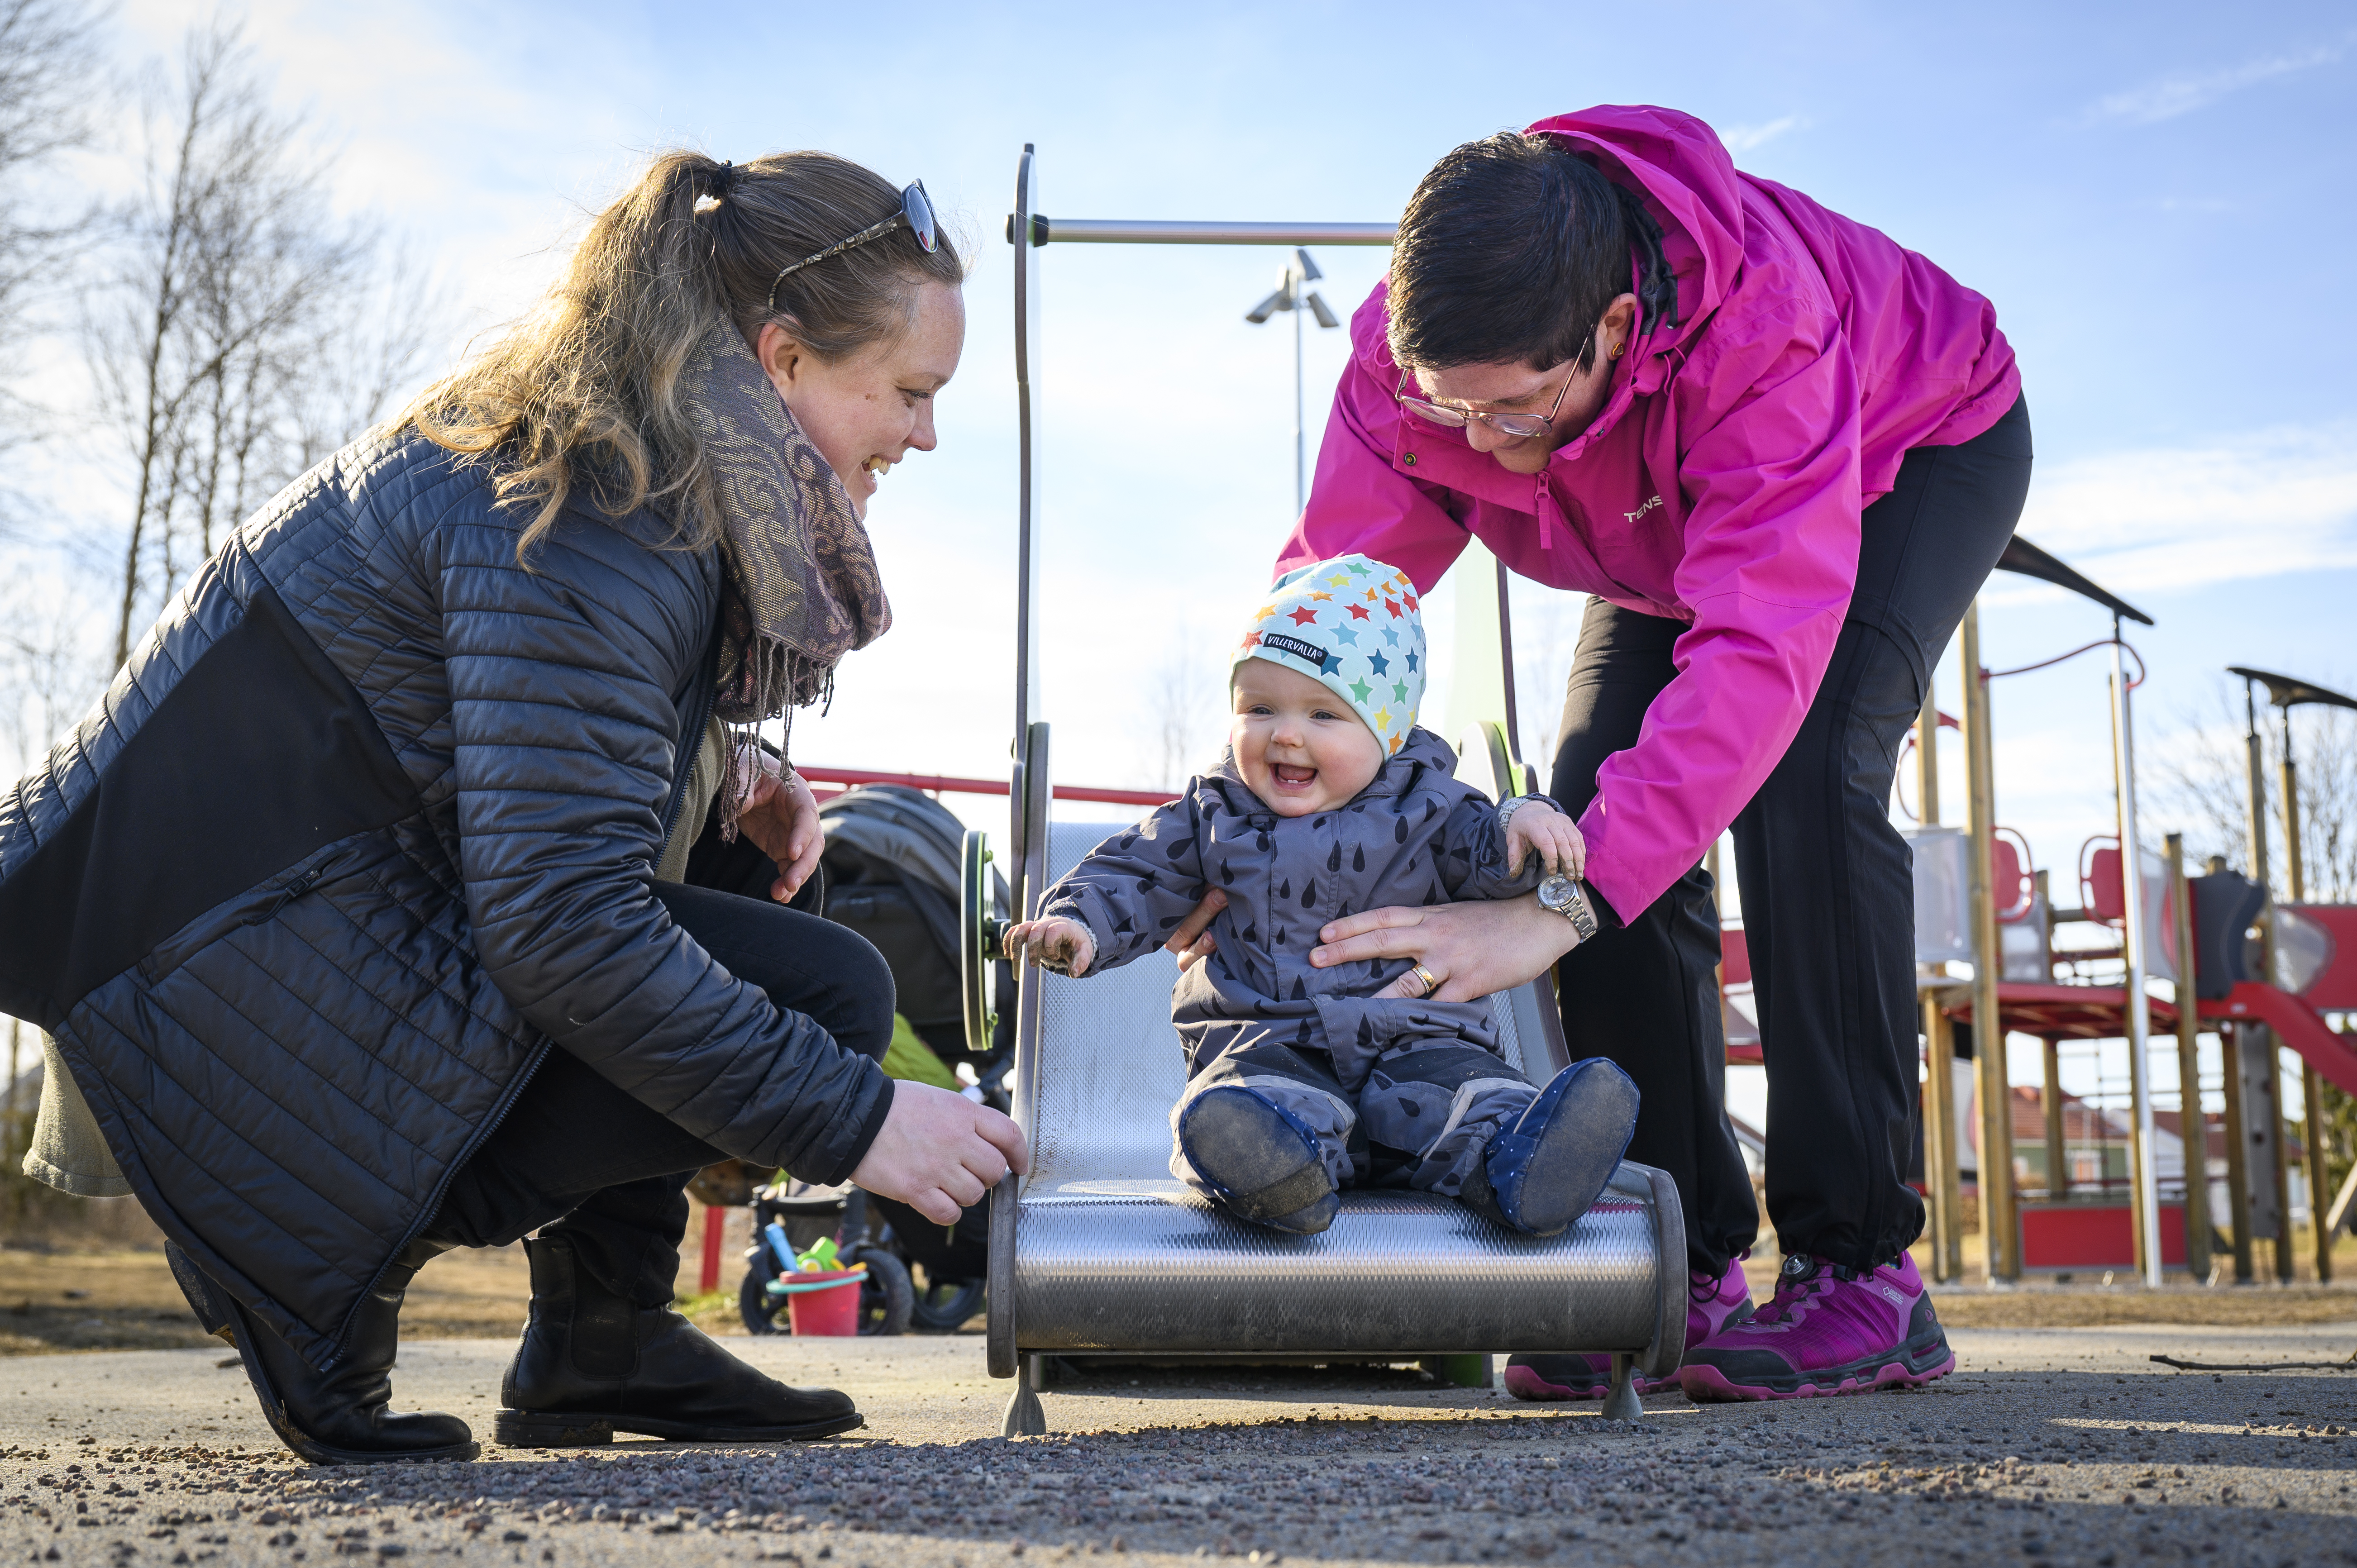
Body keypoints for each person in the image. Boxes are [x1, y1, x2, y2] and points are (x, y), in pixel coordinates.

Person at [0, 149, 1027, 1464]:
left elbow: (504, 751)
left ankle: (607, 1336)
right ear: (780, 363)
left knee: (742, 855)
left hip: (289, 930)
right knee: (828, 1004)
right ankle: (325, 1253)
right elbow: (562, 923)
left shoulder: (635, 456)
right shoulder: (607, 507)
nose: (923, 435)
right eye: (909, 393)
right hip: (210, 977)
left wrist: (722, 770)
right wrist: (862, 1116)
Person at [1269, 107, 2030, 1401]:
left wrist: (1560, 911)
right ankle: (1675, 1248)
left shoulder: (1764, 334)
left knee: (1799, 781)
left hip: (1908, 450)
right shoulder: (1411, 369)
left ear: (1615, 329)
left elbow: (1758, 657)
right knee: (1580, 811)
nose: (1487, 448)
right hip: (1660, 514)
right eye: (1456, 413)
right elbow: (1340, 610)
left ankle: (1863, 1270)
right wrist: (1277, 794)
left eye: (1516, 411)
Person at [1002, 555, 1639, 1239]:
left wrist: (1524, 821)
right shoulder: (1213, 810)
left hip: (1418, 1036)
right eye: (1260, 707)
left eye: (1324, 713)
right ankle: (1274, 1173)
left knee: (1470, 1099)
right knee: (1250, 1102)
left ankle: (1529, 1160)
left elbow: (1490, 854)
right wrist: (1077, 922)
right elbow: (1136, 871)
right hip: (1269, 1036)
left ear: (1388, 732)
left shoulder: (1433, 804)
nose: (1286, 732)